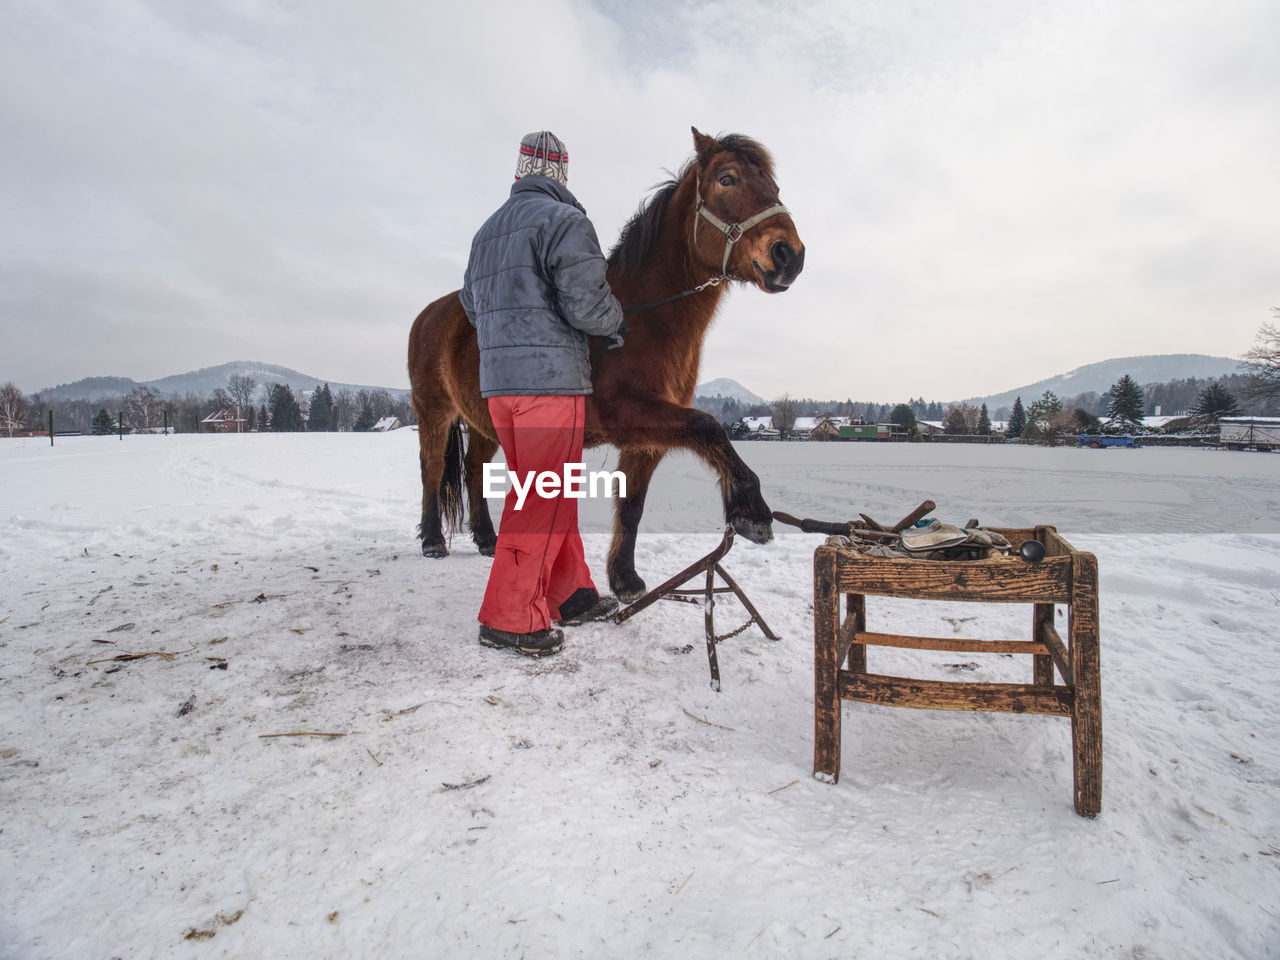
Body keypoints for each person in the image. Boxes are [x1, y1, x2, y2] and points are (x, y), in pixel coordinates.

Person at [459, 131, 626, 657]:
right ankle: (508, 617)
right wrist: (616, 322)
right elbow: (586, 304)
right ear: (561, 175)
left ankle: (569, 592)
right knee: (540, 499)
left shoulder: (486, 232)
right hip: (549, 386)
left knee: (550, 491)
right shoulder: (565, 222)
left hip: (500, 391)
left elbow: (471, 302)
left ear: (521, 170)